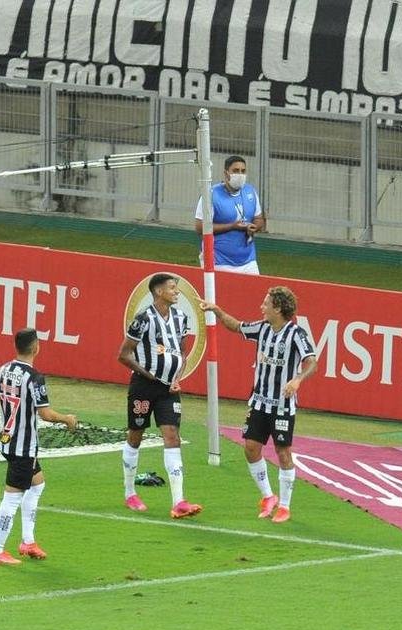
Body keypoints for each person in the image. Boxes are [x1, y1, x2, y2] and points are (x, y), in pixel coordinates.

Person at [200, 286, 316, 524]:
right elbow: (237, 326)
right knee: (251, 448)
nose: (261, 307)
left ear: (278, 308)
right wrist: (217, 311)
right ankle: (268, 496)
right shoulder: (263, 328)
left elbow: (312, 361)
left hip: (282, 406)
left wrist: (297, 379)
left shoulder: (296, 333)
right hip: (260, 402)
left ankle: (285, 507)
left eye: (266, 303)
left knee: (283, 452)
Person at [0, 328, 77, 565]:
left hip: (7, 441)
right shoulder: (34, 377)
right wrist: (67, 419)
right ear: (36, 347)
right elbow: (45, 414)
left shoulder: (2, 370)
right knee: (12, 499)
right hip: (23, 448)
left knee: (37, 484)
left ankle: (27, 541)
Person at [118, 273, 203, 519]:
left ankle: (179, 501)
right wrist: (147, 374)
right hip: (143, 387)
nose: (176, 292)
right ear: (158, 291)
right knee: (136, 435)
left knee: (172, 435)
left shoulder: (181, 318)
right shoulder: (143, 319)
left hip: (168, 389)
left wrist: (177, 378)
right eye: (172, 288)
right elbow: (123, 354)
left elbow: (182, 353)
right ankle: (130, 493)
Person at [194, 155, 266, 276]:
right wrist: (232, 226)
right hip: (218, 261)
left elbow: (259, 218)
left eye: (243, 171)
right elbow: (200, 227)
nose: (240, 175)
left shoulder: (250, 191)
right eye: (236, 171)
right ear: (226, 173)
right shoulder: (211, 195)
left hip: (249, 261)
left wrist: (255, 227)